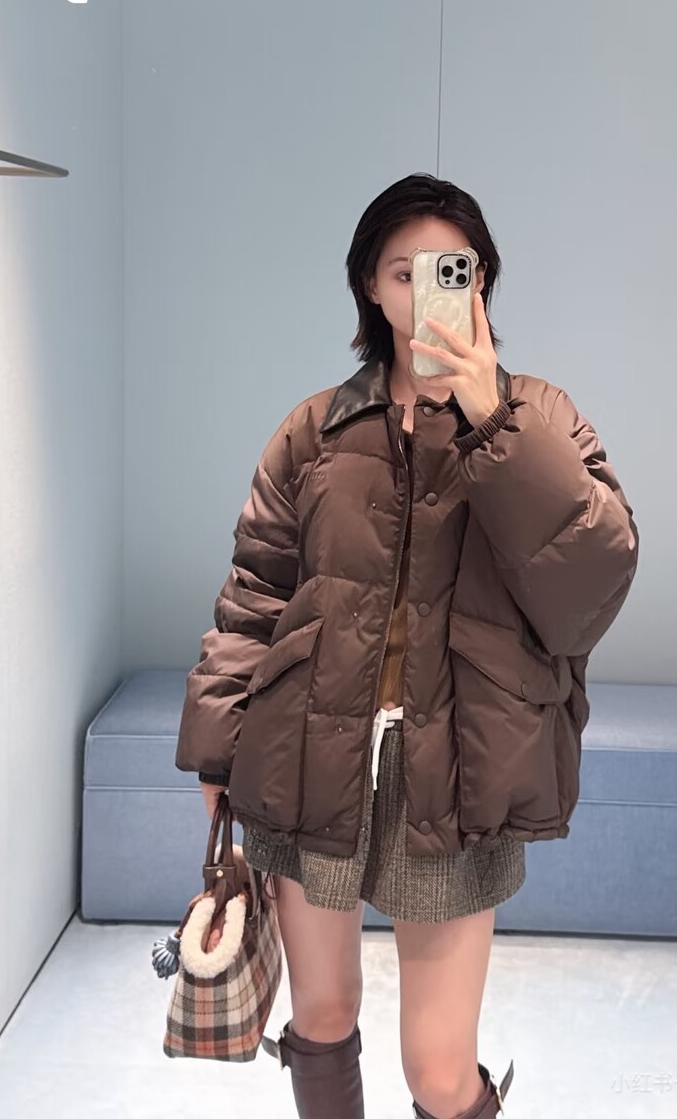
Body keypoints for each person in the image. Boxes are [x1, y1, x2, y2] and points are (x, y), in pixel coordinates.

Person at [175, 172, 640, 1119]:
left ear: (481, 281)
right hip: (310, 758)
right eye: (404, 270)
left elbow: (592, 581)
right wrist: (218, 747)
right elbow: (256, 592)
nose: (427, 287)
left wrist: (492, 419)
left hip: (457, 774)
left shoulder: (540, 417)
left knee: (437, 1068)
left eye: (450, 268)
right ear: (372, 289)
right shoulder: (314, 431)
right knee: (321, 1019)